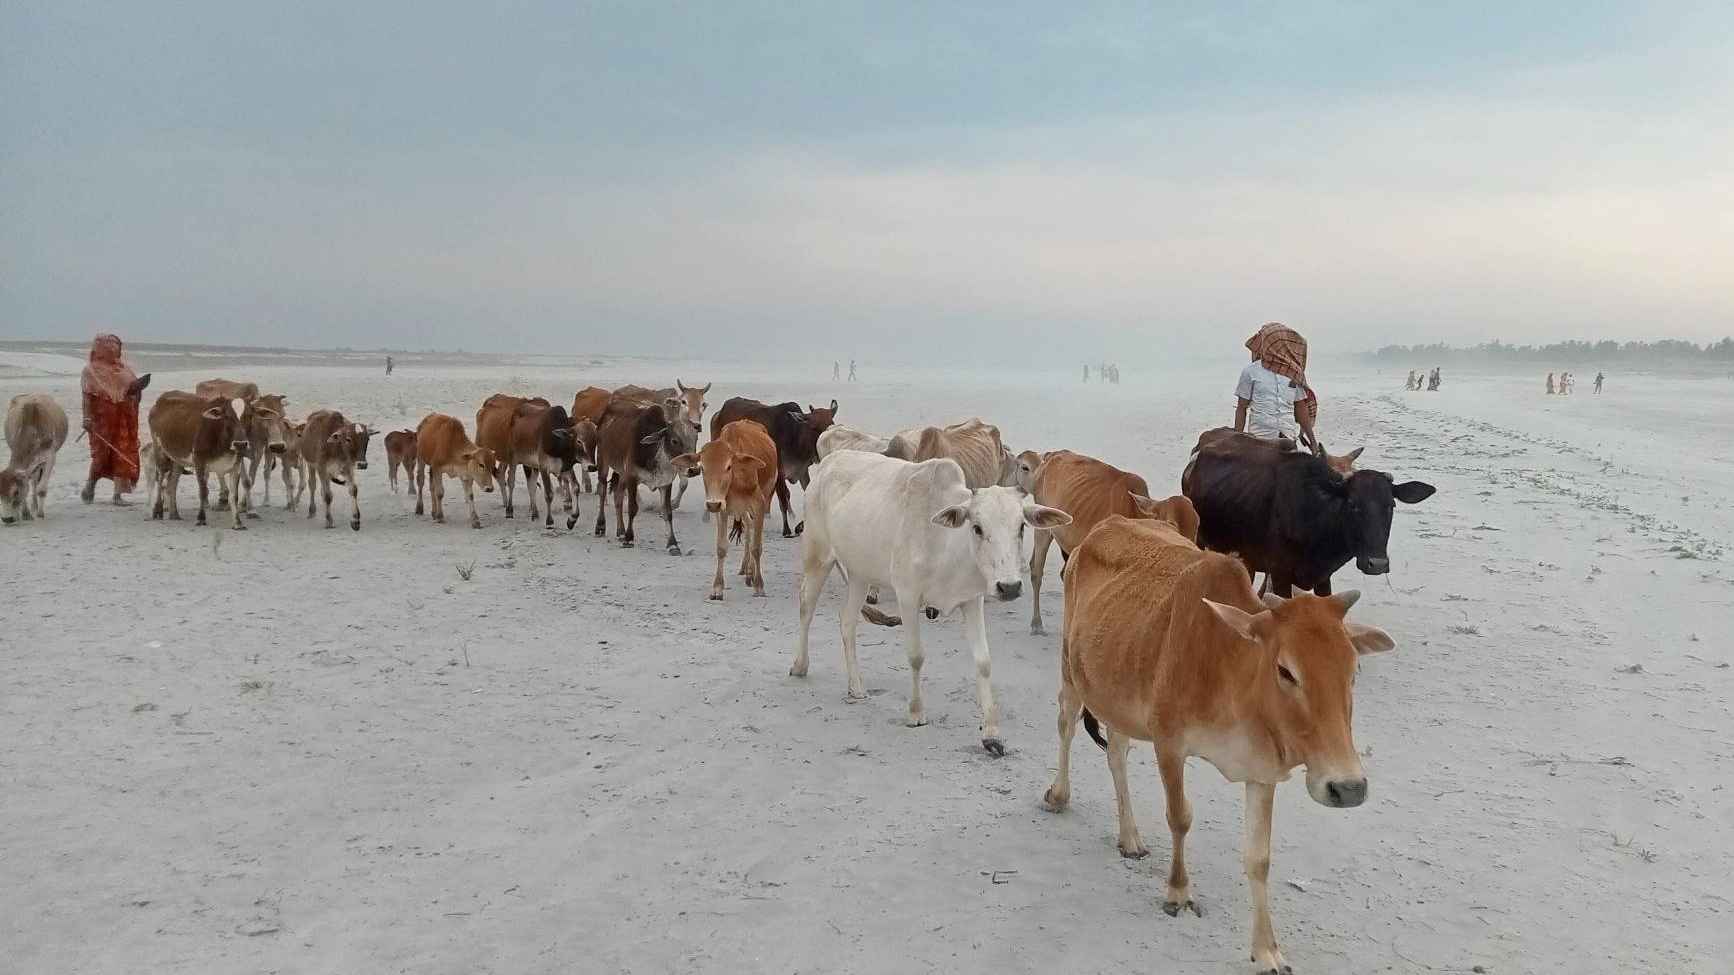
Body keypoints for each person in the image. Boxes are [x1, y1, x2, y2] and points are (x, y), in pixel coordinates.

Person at [80, 333, 148, 505]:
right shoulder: (90, 371)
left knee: (123, 453)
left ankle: (118, 495)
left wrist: (138, 387)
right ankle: (90, 485)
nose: (114, 349)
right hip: (102, 421)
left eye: (116, 346)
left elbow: (131, 390)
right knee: (101, 455)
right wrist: (86, 417)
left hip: (124, 419)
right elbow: (87, 396)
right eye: (109, 346)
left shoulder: (125, 369)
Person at [1235, 322, 1318, 447]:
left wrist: (1313, 442)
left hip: (1289, 439)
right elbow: (1241, 407)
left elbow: (1301, 408)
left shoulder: (1293, 373)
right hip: (1259, 441)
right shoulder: (1250, 371)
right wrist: (1237, 441)